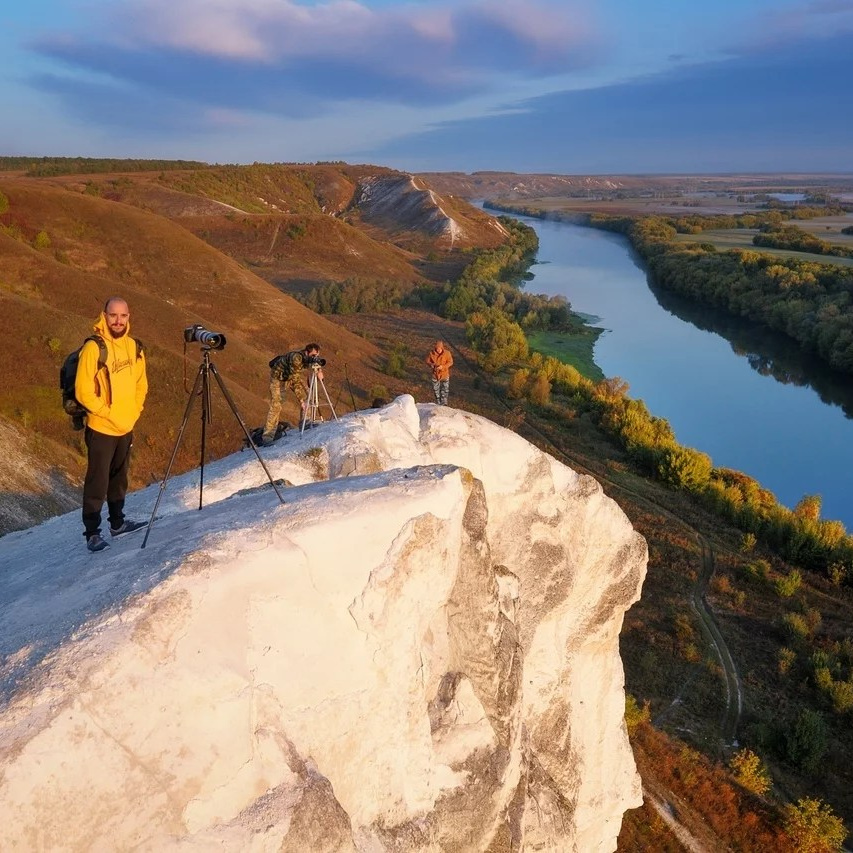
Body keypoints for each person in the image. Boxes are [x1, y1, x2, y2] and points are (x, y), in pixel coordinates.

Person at [75, 297, 148, 552]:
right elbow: (83, 391)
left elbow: (141, 385)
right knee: (97, 481)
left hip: (126, 426)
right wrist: (107, 413)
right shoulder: (94, 349)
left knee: (119, 478)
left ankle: (117, 524)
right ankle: (92, 533)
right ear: (104, 315)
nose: (118, 321)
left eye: (123, 316)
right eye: (113, 315)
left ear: (129, 317)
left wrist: (134, 412)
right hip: (102, 427)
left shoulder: (134, 347)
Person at [262, 342, 322, 445]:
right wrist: (301, 401)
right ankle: (267, 437)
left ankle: (305, 422)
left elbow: (301, 375)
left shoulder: (307, 359)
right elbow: (295, 382)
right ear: (307, 352)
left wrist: (319, 370)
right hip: (278, 379)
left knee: (309, 394)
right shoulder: (296, 358)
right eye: (313, 355)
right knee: (276, 406)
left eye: (316, 356)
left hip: (291, 377)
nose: (314, 358)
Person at [426, 340, 453, 405]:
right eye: (437, 348)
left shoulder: (447, 353)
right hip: (435, 374)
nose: (438, 350)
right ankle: (438, 401)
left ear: (442, 348)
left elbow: (450, 362)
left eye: (440, 348)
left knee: (445, 389)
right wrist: (431, 365)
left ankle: (444, 402)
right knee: (436, 390)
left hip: (444, 374)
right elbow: (427, 361)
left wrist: (443, 367)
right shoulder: (431, 353)